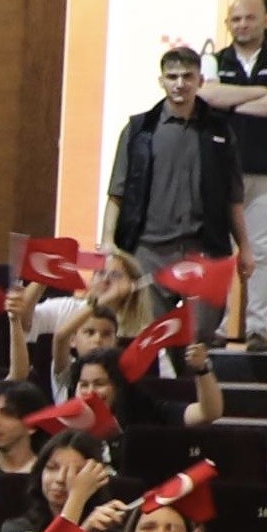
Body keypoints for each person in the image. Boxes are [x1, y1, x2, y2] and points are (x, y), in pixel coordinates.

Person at [105, 47, 246, 335]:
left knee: (199, 340)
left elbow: (233, 198)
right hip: (149, 252)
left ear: (200, 81)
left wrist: (245, 247)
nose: (180, 84)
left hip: (204, 250)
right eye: (172, 77)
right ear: (161, 81)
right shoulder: (138, 130)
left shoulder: (220, 131)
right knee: (149, 337)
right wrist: (108, 241)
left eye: (187, 76)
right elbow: (117, 193)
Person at [198, 0, 267, 334]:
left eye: (250, 18)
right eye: (236, 19)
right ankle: (217, 328)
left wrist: (231, 102)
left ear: (266, 20)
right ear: (228, 24)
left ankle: (257, 328)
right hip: (220, 171)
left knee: (263, 252)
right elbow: (207, 96)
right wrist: (262, 92)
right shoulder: (213, 61)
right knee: (219, 251)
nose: (243, 25)